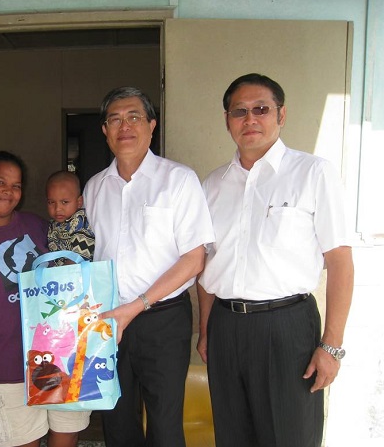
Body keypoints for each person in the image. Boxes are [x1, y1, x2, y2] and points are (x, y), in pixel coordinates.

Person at [196, 73, 354, 447]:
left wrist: (331, 346)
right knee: (232, 435)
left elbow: (340, 262)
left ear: (281, 115)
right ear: (227, 120)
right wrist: (206, 331)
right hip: (225, 326)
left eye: (261, 109)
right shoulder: (213, 184)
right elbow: (207, 264)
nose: (250, 119)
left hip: (287, 327)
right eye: (239, 111)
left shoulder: (313, 173)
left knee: (289, 436)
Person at [83, 86, 215, 447]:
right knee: (116, 419)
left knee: (165, 423)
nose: (124, 126)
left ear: (151, 126)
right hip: (110, 320)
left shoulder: (178, 180)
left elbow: (194, 258)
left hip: (163, 319)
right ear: (105, 130)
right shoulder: (94, 188)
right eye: (115, 119)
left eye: (134, 117)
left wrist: (138, 305)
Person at [0, 151, 90, 447]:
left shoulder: (37, 225)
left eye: (16, 185)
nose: (9, 191)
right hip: (2, 364)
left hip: (58, 353)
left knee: (65, 434)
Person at [46, 170, 95, 265]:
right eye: (51, 202)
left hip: (81, 271)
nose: (57, 208)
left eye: (65, 202)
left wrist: (63, 271)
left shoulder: (80, 221)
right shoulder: (54, 225)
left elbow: (80, 256)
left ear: (79, 202)